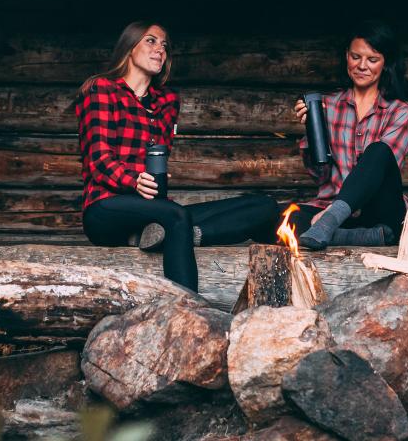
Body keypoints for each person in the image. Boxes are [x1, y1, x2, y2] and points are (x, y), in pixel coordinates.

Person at [75, 21, 277, 291]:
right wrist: (134, 181)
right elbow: (98, 160)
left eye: (164, 45)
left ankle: (169, 235)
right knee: (176, 216)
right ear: (129, 46)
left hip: (153, 210)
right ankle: (187, 310)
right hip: (105, 208)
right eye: (151, 41)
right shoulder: (102, 89)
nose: (160, 49)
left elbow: (159, 154)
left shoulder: (166, 101)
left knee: (264, 206)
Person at [290, 21, 408, 251]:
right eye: (355, 57)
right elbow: (321, 175)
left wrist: (333, 213)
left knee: (379, 151)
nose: (362, 66)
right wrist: (313, 130)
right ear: (346, 56)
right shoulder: (327, 106)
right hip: (330, 211)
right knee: (288, 220)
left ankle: (330, 224)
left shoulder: (399, 111)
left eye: (372, 60)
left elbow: (383, 169)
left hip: (376, 210)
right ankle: (356, 236)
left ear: (386, 63)